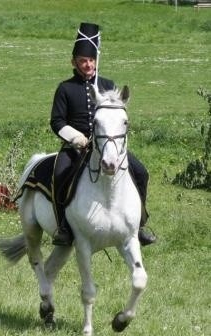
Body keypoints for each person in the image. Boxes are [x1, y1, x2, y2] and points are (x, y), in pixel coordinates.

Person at [49, 22, 156, 247]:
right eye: (82, 61)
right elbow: (56, 121)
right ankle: (63, 228)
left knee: (141, 172)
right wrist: (76, 137)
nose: (88, 65)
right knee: (59, 175)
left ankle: (140, 225)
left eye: (91, 60)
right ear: (74, 62)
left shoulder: (108, 84)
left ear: (96, 60)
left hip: (107, 146)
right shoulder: (65, 88)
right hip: (76, 147)